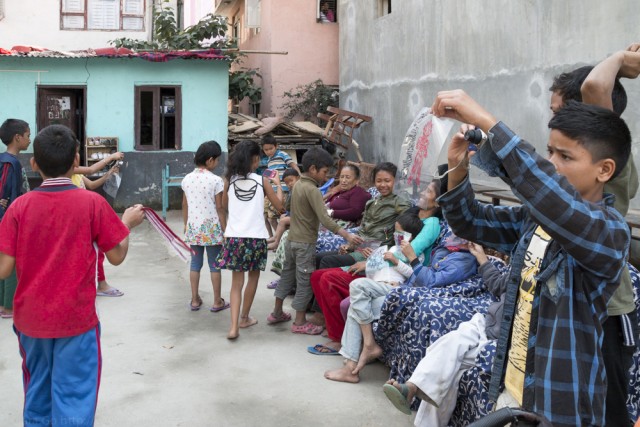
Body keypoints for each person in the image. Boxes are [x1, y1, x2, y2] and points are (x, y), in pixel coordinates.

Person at [431, 90, 631, 426]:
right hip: (512, 391)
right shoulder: (535, 219)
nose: (552, 163)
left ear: (604, 170)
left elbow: (552, 197)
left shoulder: (608, 233)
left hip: (558, 406)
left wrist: (487, 121)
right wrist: (458, 168)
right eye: (550, 152)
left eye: (565, 156)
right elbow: (469, 221)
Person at [0, 124, 145, 426]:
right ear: (76, 160)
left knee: (37, 391)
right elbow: (116, 256)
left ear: (34, 163)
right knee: (75, 396)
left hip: (31, 321)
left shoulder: (18, 208)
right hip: (76, 321)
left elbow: (4, 269)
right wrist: (126, 224)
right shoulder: (92, 203)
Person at [550, 46, 640, 427]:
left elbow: (595, 86)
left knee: (609, 410)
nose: (553, 121)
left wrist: (621, 59)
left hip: (605, 310)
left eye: (559, 112)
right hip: (573, 302)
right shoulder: (568, 165)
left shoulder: (609, 163)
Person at [383, 242, 509, 427]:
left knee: (450, 368)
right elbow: (499, 286)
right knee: (452, 342)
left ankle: (411, 389)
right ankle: (411, 388)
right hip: (487, 322)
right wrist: (481, 256)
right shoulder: (525, 267)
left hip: (503, 338)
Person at [310, 180, 443, 353]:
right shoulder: (412, 213)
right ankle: (333, 327)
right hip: (380, 262)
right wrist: (370, 253)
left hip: (393, 273)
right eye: (425, 188)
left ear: (438, 201)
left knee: (329, 278)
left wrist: (371, 261)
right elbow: (390, 240)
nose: (423, 193)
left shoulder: (431, 223)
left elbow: (407, 253)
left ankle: (338, 337)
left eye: (429, 191)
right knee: (317, 276)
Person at [267, 147, 362, 335]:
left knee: (287, 276)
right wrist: (347, 235)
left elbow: (287, 207)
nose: (326, 177)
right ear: (313, 169)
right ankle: (300, 322)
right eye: (325, 172)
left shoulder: (297, 186)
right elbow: (325, 219)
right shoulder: (312, 189)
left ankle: (277, 312)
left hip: (291, 240)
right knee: (303, 281)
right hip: (304, 244)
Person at [322, 211, 425, 381]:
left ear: (411, 236)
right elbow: (377, 271)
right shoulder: (392, 248)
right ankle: (350, 368)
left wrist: (398, 261)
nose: (396, 235)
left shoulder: (415, 252)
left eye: (400, 233)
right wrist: (372, 261)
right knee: (357, 304)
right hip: (377, 286)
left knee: (356, 286)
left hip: (395, 289)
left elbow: (414, 274)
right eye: (395, 231)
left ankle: (368, 345)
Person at [214, 140, 285, 340]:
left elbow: (226, 206)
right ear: (255, 159)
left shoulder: (229, 180)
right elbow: (279, 207)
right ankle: (245, 317)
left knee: (236, 283)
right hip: (256, 238)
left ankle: (233, 327)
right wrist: (278, 185)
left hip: (234, 237)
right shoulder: (262, 180)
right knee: (252, 279)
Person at [269, 163, 371, 275]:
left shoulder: (359, 193)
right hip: (324, 224)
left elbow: (355, 212)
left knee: (292, 236)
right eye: (342, 177)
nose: (343, 180)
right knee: (289, 234)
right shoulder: (340, 192)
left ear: (356, 180)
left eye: (347, 177)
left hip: (337, 230)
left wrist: (331, 212)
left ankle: (290, 277)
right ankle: (287, 275)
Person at [316, 162, 411, 270]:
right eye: (379, 181)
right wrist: (349, 246)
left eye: (387, 181)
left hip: (376, 251)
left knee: (328, 261)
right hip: (361, 247)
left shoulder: (400, 203)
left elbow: (401, 232)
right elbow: (362, 230)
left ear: (396, 181)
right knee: (318, 257)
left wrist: (382, 251)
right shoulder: (371, 202)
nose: (383, 185)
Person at [70, 142, 124, 297]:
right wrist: (111, 157)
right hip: (78, 219)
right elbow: (92, 169)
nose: (77, 156)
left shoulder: (77, 174)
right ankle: (100, 284)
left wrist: (108, 174)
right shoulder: (70, 170)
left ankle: (100, 283)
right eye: (75, 152)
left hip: (83, 218)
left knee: (96, 251)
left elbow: (92, 185)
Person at [181, 141, 229, 313]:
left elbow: (184, 205)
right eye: (217, 160)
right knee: (215, 265)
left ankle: (194, 300)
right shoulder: (216, 180)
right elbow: (220, 208)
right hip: (211, 229)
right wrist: (225, 229)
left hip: (193, 228)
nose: (217, 164)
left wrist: (186, 225)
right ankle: (217, 301)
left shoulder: (187, 179)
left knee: (195, 264)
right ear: (210, 160)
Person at [0, 119, 31, 319]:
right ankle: (8, 307)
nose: (30, 139)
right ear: (17, 138)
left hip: (9, 217)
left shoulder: (11, 161)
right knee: (11, 262)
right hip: (9, 220)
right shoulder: (9, 163)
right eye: (28, 135)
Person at [261, 134, 301, 237]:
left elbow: (293, 165)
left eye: (271, 148)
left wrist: (300, 177)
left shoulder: (282, 154)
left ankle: (279, 238)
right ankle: (272, 237)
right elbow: (270, 177)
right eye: (266, 150)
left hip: (283, 190)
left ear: (276, 146)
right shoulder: (269, 160)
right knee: (266, 216)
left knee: (276, 216)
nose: (269, 151)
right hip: (272, 192)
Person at [267, 168, 301, 251]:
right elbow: (287, 207)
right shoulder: (291, 191)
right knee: (282, 216)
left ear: (298, 178)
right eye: (286, 183)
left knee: (283, 221)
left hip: (300, 217)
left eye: (291, 180)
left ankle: (276, 242)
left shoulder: (300, 190)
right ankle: (276, 237)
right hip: (293, 214)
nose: (289, 184)